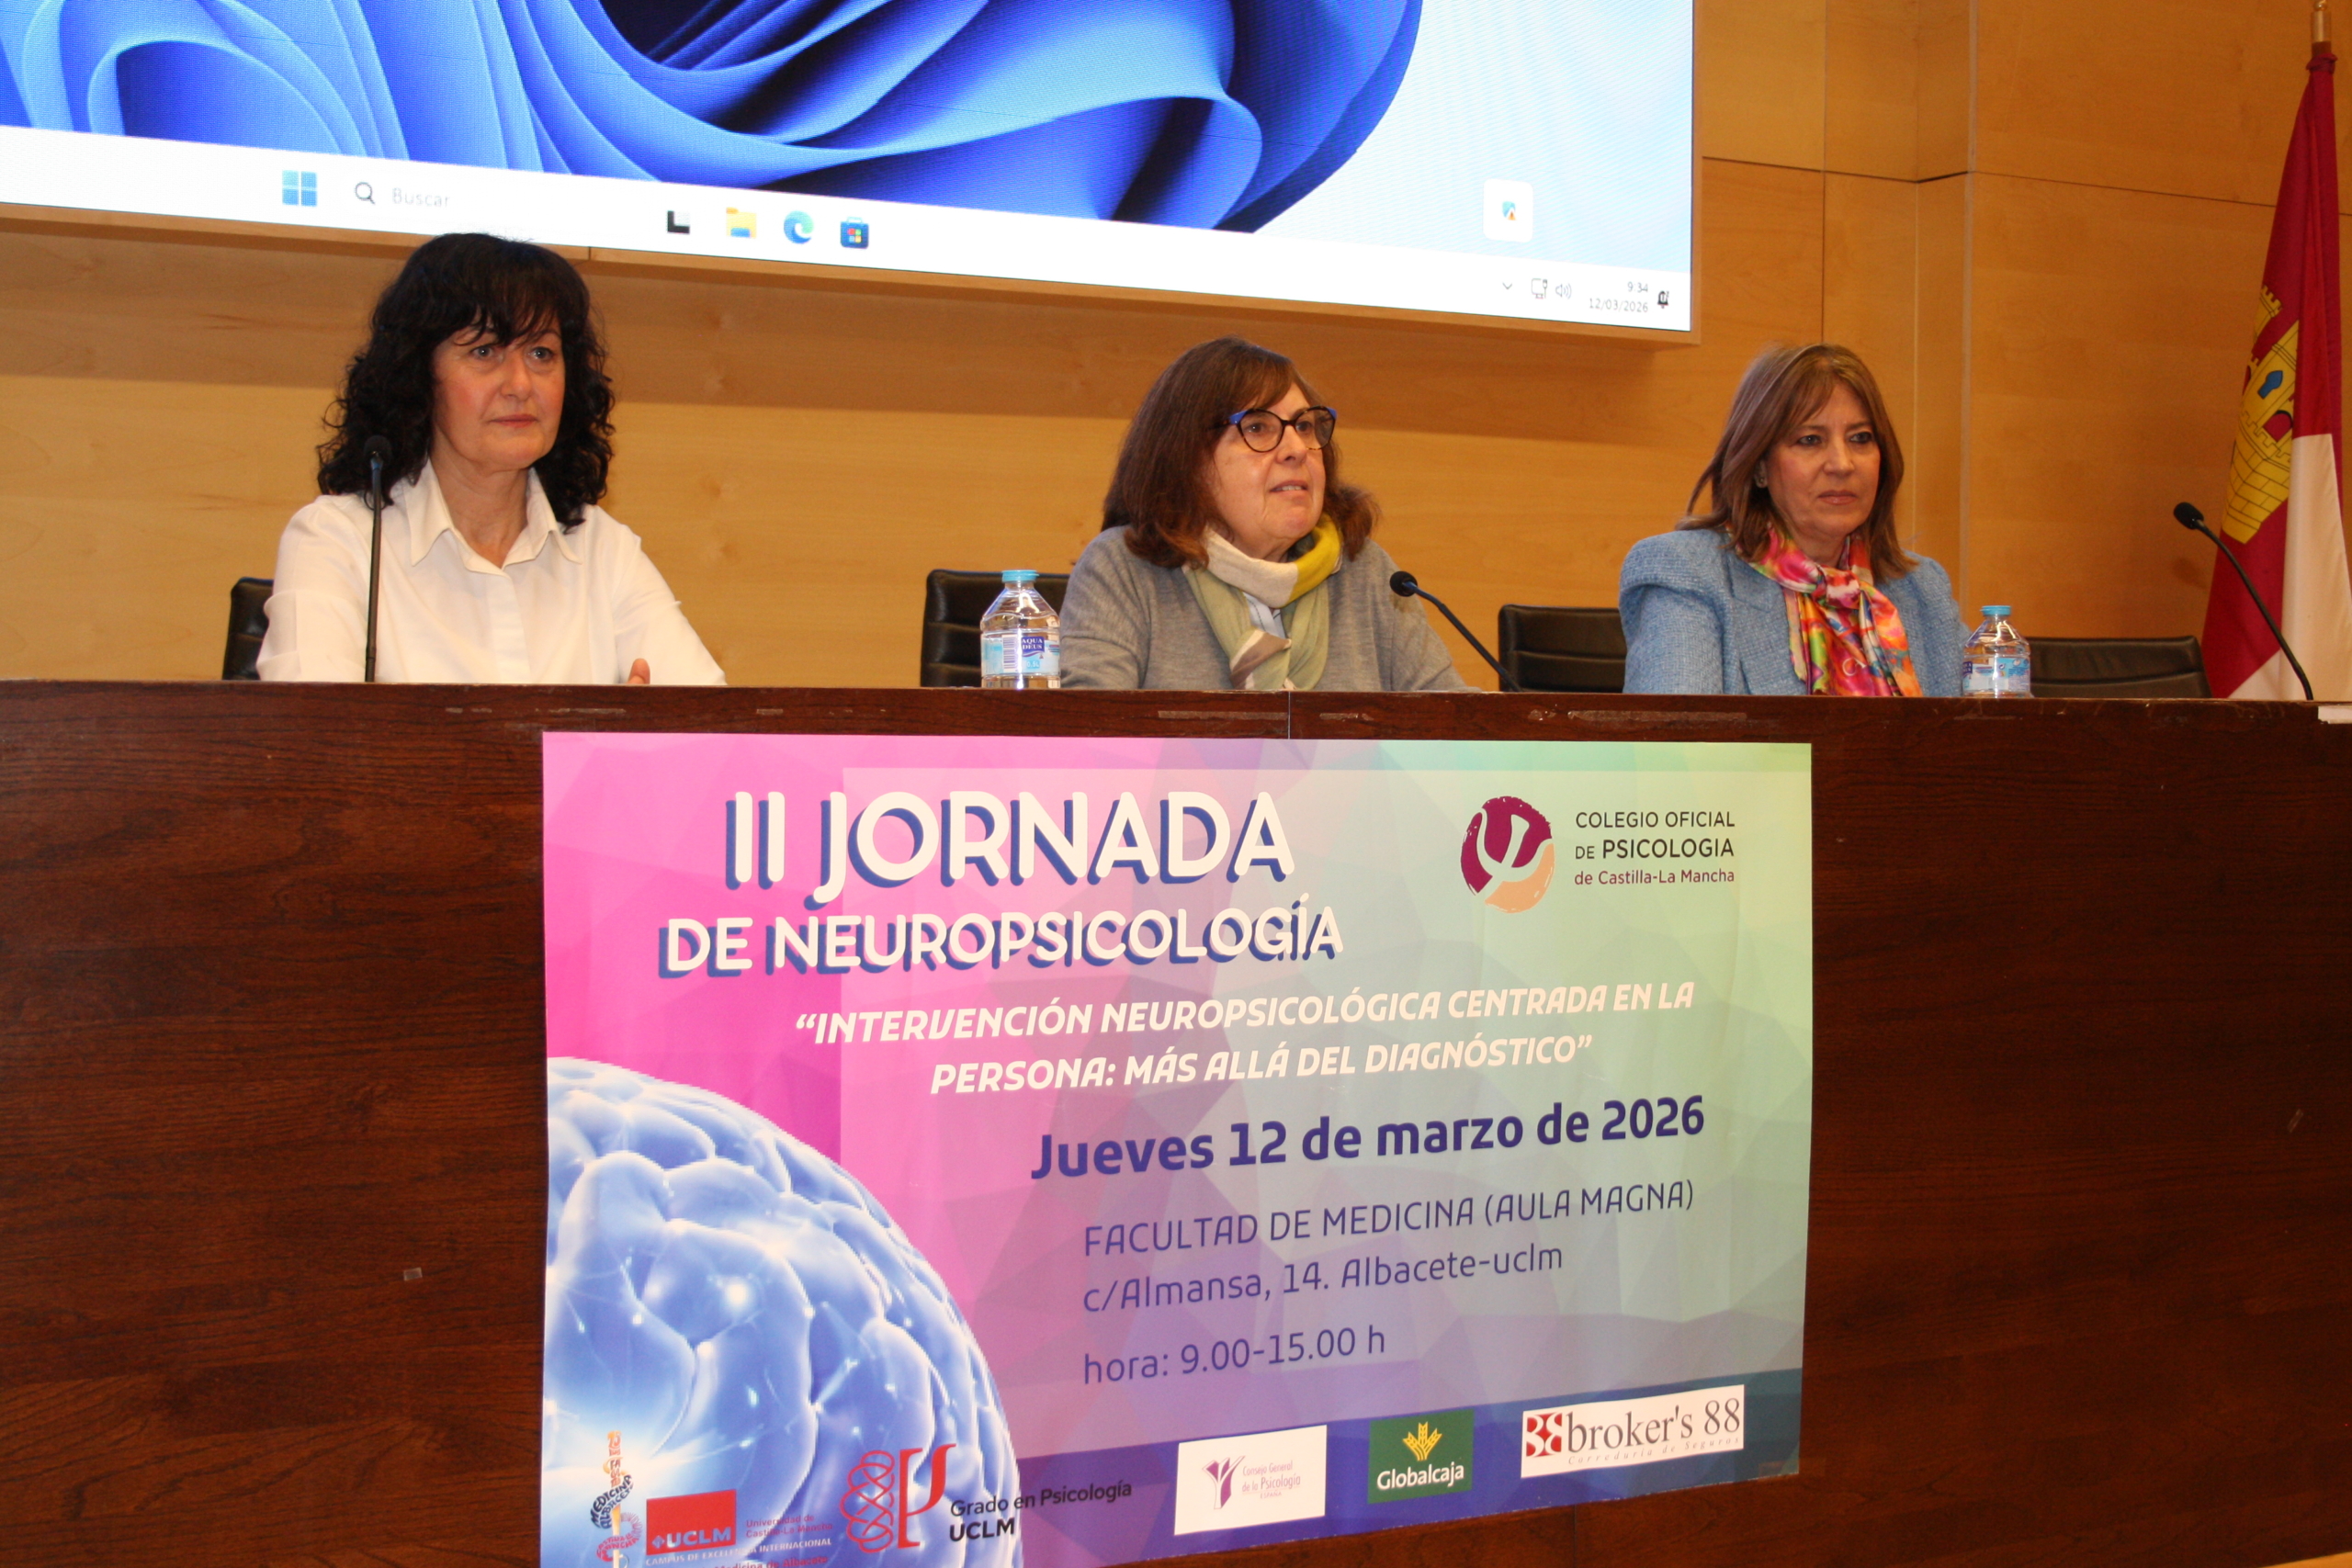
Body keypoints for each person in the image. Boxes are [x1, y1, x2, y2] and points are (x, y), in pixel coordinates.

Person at [259, 233, 724, 684]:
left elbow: (712, 724)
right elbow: (311, 731)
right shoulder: (339, 541)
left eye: (541, 353)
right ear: (419, 374)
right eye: (484, 351)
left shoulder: (602, 549)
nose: (521, 384)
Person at [1059, 336, 1473, 692]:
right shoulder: (1123, 569)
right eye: (1258, 427)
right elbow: (1088, 738)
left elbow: (1455, 730)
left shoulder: (1364, 571)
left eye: (1305, 426)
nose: (1296, 449)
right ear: (1187, 456)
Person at [1619, 344, 1967, 695]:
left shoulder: (1921, 588)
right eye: (1810, 440)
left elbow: (1987, 724)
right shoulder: (1688, 572)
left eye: (1860, 438)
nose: (1842, 464)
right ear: (1758, 464)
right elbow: (1679, 730)